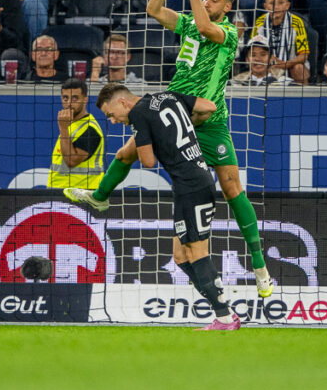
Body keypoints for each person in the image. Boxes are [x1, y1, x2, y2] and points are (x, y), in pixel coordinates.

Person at [65, 0, 273, 298]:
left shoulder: (227, 32)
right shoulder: (190, 23)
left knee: (232, 188)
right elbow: (154, 10)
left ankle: (259, 265)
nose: (207, 1)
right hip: (176, 110)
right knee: (126, 153)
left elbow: (205, 27)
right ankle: (100, 196)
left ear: (227, 8)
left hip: (209, 120)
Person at [95, 82, 238, 330]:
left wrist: (152, 135)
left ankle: (225, 317)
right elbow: (209, 107)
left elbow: (148, 161)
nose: (114, 121)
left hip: (192, 186)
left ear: (122, 102)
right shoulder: (168, 97)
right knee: (180, 256)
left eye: (111, 114)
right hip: (192, 184)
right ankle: (223, 309)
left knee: (197, 252)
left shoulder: (138, 114)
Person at [48, 78, 105, 189]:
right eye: (65, 98)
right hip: (59, 190)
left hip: (82, 192)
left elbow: (71, 161)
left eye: (75, 98)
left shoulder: (90, 129)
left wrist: (63, 129)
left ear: (85, 100)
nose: (69, 103)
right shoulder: (71, 124)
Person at [250, 0, 310, 85]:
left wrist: (285, 64)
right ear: (265, 6)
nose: (276, 7)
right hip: (266, 64)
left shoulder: (297, 22)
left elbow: (303, 56)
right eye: (272, 3)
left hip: (291, 64)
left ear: (287, 5)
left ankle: (304, 93)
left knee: (299, 68)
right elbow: (253, 51)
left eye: (280, 3)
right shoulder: (259, 23)